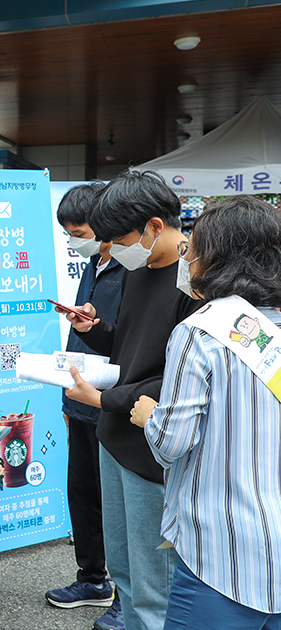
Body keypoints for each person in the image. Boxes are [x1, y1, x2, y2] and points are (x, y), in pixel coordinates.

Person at [130, 195, 281, 630]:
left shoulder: (202, 331)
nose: (187, 257)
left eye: (191, 248)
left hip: (222, 554)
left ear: (215, 256)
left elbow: (172, 442)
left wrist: (150, 417)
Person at [61, 170, 198, 630]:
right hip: (115, 438)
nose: (110, 250)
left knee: (154, 584)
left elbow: (181, 382)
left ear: (155, 226)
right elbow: (131, 349)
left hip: (151, 447)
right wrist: (94, 330)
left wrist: (103, 400)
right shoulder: (140, 268)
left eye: (117, 239)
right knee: (123, 570)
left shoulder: (196, 283)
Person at [45, 183, 125, 630]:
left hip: (111, 402)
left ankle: (125, 592)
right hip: (79, 400)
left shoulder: (133, 269)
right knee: (83, 494)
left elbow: (123, 341)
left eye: (79, 232)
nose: (73, 240)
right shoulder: (94, 264)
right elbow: (84, 331)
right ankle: (92, 578)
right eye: (68, 234)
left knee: (117, 501)